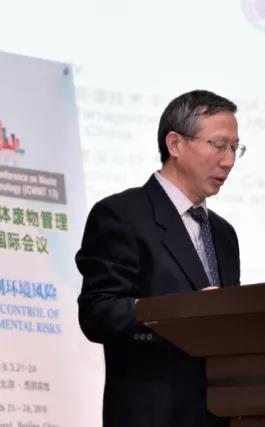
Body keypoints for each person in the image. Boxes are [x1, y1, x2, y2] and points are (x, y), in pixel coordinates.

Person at [76, 90, 245, 427]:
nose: (228, 161)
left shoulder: (223, 233)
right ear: (175, 144)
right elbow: (98, 313)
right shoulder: (121, 215)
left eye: (234, 148)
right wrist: (181, 314)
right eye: (218, 145)